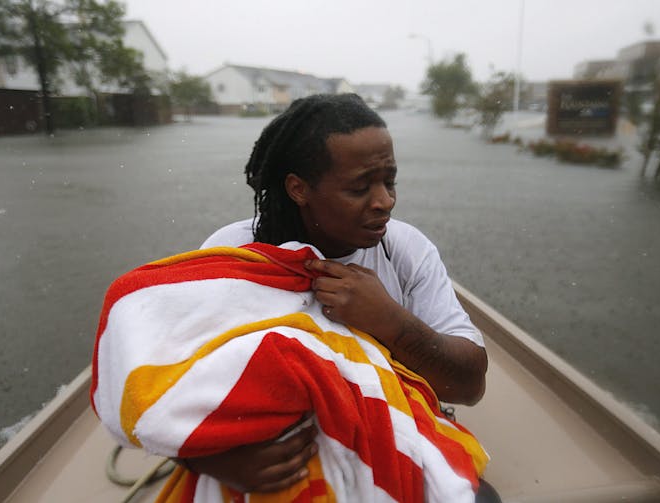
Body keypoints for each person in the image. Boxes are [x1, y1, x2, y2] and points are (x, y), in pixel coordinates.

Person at [186, 93, 491, 497]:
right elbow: (167, 383)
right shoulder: (234, 255)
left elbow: (469, 386)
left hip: (391, 432)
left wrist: (390, 322)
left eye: (389, 180)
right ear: (298, 188)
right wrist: (212, 460)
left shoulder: (406, 251)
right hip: (280, 463)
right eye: (360, 187)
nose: (385, 201)